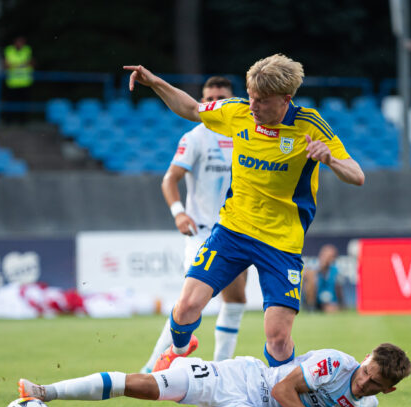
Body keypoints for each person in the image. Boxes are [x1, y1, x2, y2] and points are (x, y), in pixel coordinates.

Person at [123, 55, 364, 371]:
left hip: (281, 242)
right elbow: (192, 109)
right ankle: (179, 348)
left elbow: (357, 175)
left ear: (285, 100)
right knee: (186, 308)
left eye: (261, 102)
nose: (253, 107)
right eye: (251, 97)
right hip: (232, 231)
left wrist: (330, 159)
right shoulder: (237, 111)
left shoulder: (310, 125)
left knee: (277, 340)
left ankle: (282, 405)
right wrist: (154, 82)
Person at [19, 343, 411, 407]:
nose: (362, 380)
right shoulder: (335, 363)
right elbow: (285, 389)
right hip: (242, 380)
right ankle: (46, 390)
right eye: (366, 370)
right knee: (143, 385)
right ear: (365, 358)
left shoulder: (365, 401)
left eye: (372, 382)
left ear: (386, 389)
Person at [141, 76, 248, 373]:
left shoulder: (246, 133)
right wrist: (178, 212)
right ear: (203, 102)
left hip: (238, 229)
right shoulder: (196, 136)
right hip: (202, 231)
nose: (214, 103)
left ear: (231, 101)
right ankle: (152, 366)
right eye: (209, 98)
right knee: (189, 301)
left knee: (236, 297)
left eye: (221, 98)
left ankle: (222, 368)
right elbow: (169, 179)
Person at [303, 243, 343, 312]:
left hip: (329, 301)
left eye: (331, 256)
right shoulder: (313, 266)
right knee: (311, 277)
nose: (327, 258)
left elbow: (339, 290)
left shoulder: (335, 270)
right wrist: (319, 269)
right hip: (315, 300)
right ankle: (311, 307)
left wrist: (341, 305)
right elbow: (305, 276)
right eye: (325, 255)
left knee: (332, 309)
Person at [2, 36, 34, 124]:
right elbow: (6, 65)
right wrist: (22, 65)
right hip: (12, 82)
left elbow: (31, 63)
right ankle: (8, 121)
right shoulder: (9, 50)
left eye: (21, 42)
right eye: (18, 42)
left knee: (24, 103)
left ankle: (23, 121)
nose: (20, 44)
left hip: (25, 82)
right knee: (10, 102)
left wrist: (14, 65)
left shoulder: (27, 50)